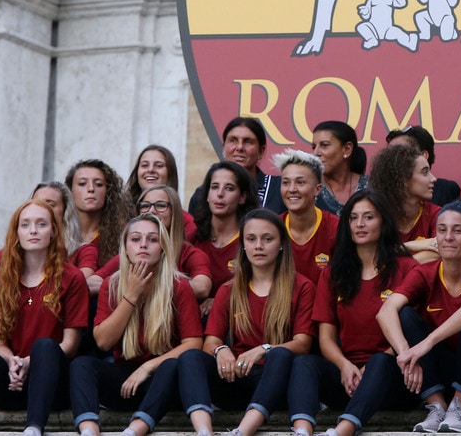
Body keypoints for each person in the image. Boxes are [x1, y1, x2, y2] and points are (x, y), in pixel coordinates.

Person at [0, 199, 89, 436]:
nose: (33, 230)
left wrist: (29, 362)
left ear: (53, 232)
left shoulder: (72, 278)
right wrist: (13, 363)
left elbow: (70, 344)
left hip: (52, 386)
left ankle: (33, 429)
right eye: (26, 224)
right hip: (11, 382)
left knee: (44, 347)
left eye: (41, 224)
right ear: (16, 232)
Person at [287, 191, 418, 436]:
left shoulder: (407, 268)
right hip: (349, 377)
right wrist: (345, 366)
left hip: (394, 376)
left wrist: (371, 367)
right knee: (304, 363)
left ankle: (343, 431)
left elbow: (414, 330)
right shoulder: (334, 272)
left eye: (368, 217)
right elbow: (325, 338)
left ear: (384, 222)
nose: (359, 224)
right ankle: (302, 430)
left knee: (380, 362)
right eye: (353, 218)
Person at [178, 209, 315, 436]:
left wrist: (264, 349)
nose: (258, 246)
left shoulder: (302, 286)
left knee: (279, 355)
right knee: (190, 357)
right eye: (251, 239)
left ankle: (243, 431)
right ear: (243, 245)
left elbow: (303, 344)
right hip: (238, 378)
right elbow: (210, 341)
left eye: (267, 239)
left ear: (281, 244)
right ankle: (204, 431)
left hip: (278, 383)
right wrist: (221, 350)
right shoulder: (229, 289)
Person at [69, 213, 203, 436]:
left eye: (152, 239)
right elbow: (102, 342)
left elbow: (193, 343)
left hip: (161, 381)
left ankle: (135, 430)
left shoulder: (179, 286)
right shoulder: (111, 286)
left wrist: (147, 368)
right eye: (135, 239)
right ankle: (89, 430)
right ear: (125, 247)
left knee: (171, 367)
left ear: (162, 247)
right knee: (82, 365)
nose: (143, 245)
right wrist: (130, 296)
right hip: (124, 382)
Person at [376, 201, 461, 433]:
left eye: (458, 230)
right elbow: (386, 311)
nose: (448, 237)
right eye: (442, 230)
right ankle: (437, 406)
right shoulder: (425, 272)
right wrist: (406, 353)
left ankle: (460, 408)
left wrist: (427, 342)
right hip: (440, 370)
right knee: (404, 315)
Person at [97, 186, 213, 301]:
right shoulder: (135, 253)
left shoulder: (190, 253)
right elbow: (92, 282)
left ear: (175, 213)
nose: (151, 211)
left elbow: (202, 288)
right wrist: (120, 286)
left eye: (161, 205)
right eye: (145, 206)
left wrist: (145, 286)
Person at [0, 182, 99, 294]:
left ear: (66, 210)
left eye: (50, 204)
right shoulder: (15, 249)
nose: (41, 209)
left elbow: (80, 285)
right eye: (37, 204)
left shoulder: (84, 250)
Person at [190, 162, 259, 302]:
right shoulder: (192, 239)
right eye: (214, 187)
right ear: (207, 195)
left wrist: (218, 303)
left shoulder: (253, 241)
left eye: (229, 188)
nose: (220, 194)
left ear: (242, 197)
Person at [189, 117, 285, 214]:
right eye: (233, 140)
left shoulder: (279, 188)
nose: (239, 147)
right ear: (223, 148)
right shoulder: (203, 194)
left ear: (261, 151)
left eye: (247, 141)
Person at [274, 149, 340, 285]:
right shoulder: (272, 228)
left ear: (317, 189)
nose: (292, 189)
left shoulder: (335, 228)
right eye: (286, 182)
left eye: (300, 182)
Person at [368, 143, 440, 262]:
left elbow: (442, 250)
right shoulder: (377, 215)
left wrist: (398, 250)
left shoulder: (436, 214)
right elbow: (371, 259)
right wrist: (413, 247)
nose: (434, 179)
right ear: (403, 180)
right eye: (425, 172)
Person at [66, 159, 133, 279]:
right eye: (82, 184)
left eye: (98, 184)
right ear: (70, 191)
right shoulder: (55, 233)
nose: (91, 189)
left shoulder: (124, 234)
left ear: (108, 192)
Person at [128, 145, 196, 239]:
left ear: (170, 173)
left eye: (159, 165)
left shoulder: (186, 222)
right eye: (144, 165)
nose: (150, 170)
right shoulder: (121, 216)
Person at [385, 126, 461, 206]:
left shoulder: (446, 190)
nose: (390, 159)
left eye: (400, 152)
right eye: (388, 153)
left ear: (423, 156)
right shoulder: (379, 194)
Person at [312, 120, 369, 215]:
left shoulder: (373, 186)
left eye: (324, 145)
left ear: (347, 149)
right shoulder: (310, 189)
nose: (316, 153)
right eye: (314, 147)